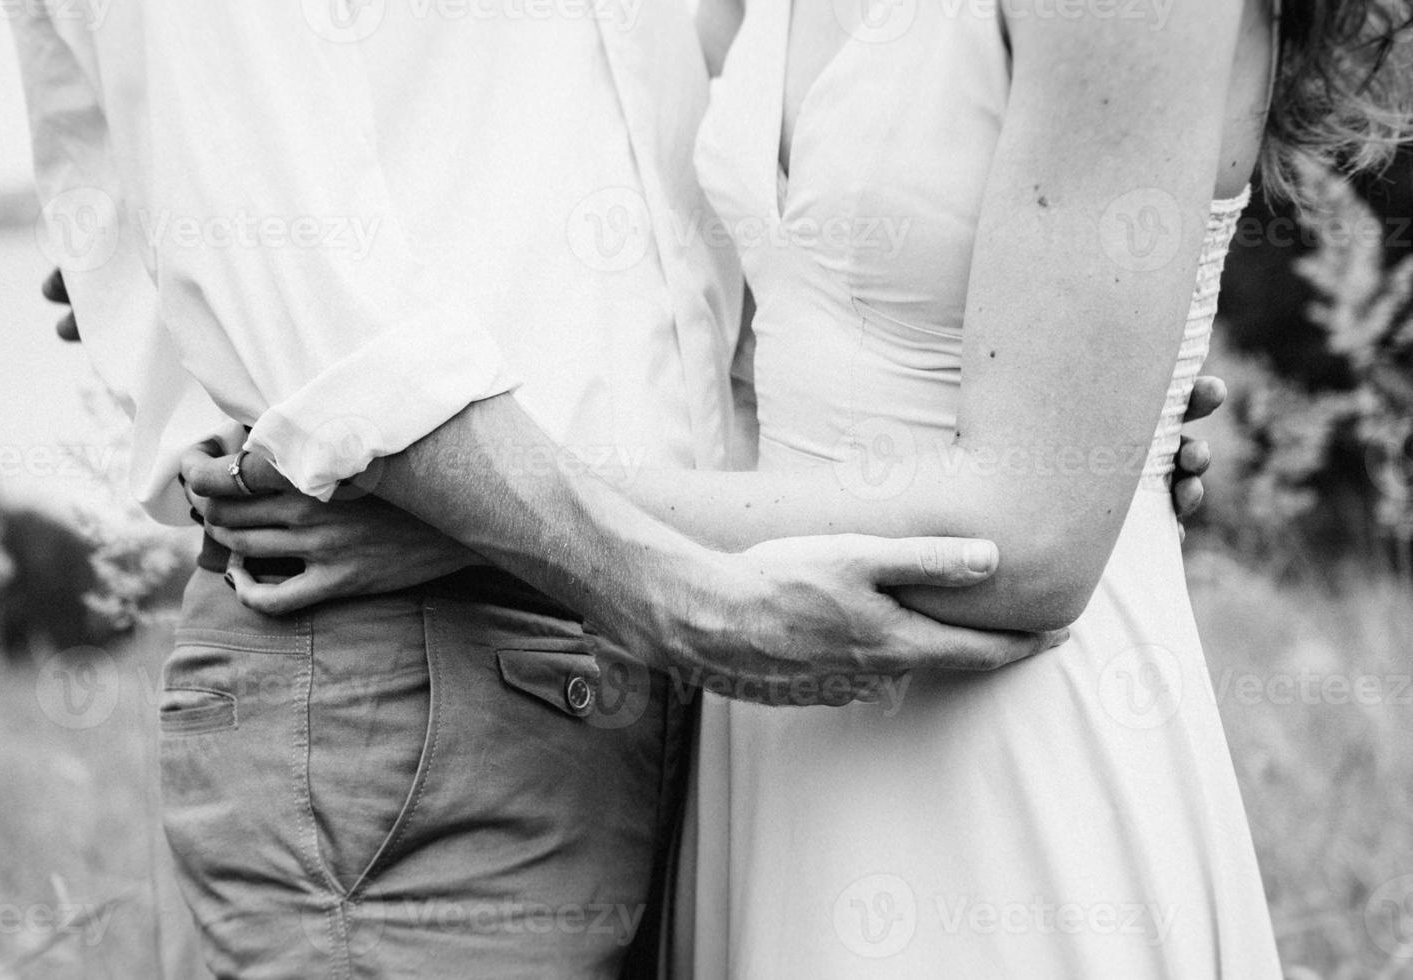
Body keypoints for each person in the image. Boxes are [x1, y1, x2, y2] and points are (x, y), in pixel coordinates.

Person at [172, 0, 1413, 976]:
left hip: (994, 739)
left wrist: (471, 532)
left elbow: (1026, 535)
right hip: (765, 718)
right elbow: (628, 245)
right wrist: (149, 256)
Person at [12, 1, 1073, 977]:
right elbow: (285, 259)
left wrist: (1066, 365)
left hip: (695, 661)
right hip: (409, 668)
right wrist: (678, 594)